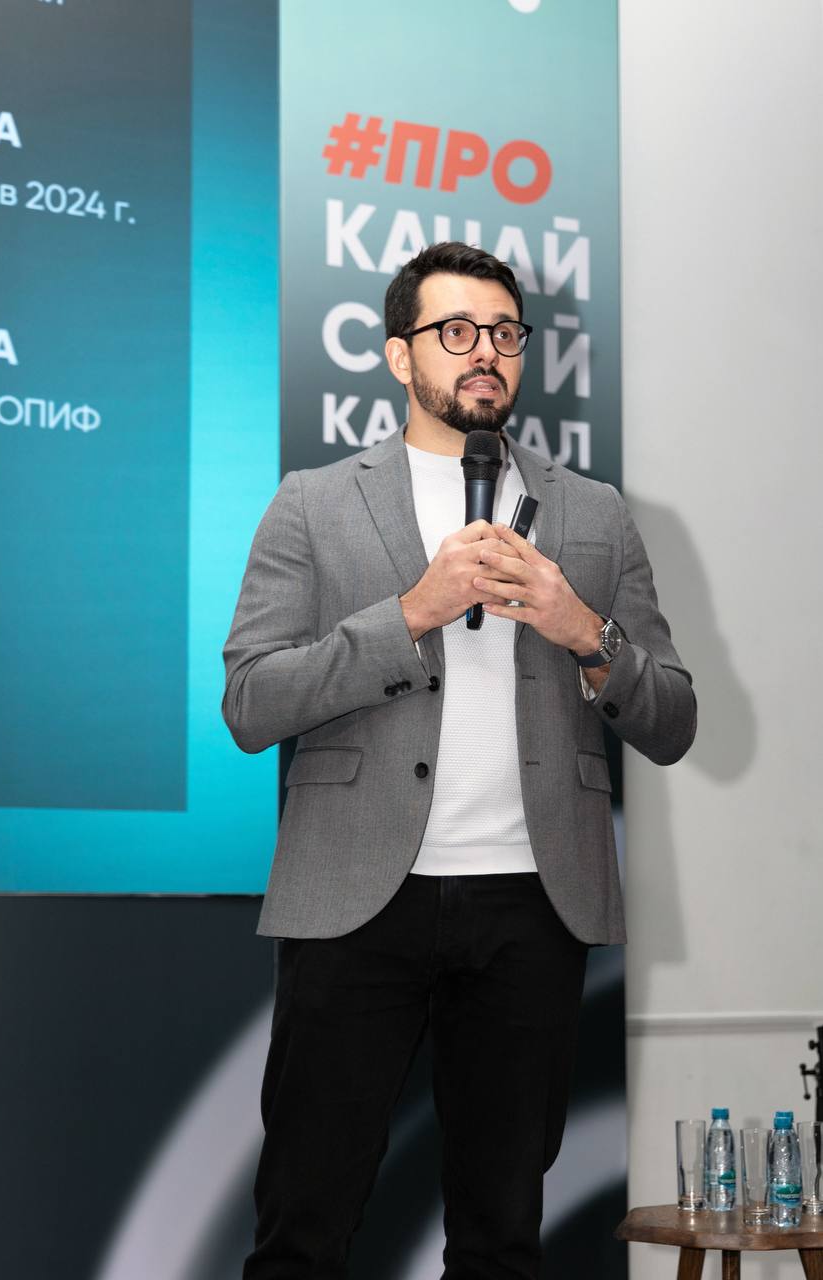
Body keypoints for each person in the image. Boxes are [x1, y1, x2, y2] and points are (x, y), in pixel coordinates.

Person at [223, 242, 696, 1279]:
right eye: (455, 331)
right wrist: (410, 614)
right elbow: (251, 702)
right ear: (400, 355)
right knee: (304, 1225)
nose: (485, 351)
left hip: (533, 902)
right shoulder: (312, 502)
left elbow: (671, 720)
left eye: (504, 332)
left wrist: (584, 632)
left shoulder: (594, 513)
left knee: (500, 1237)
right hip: (355, 895)